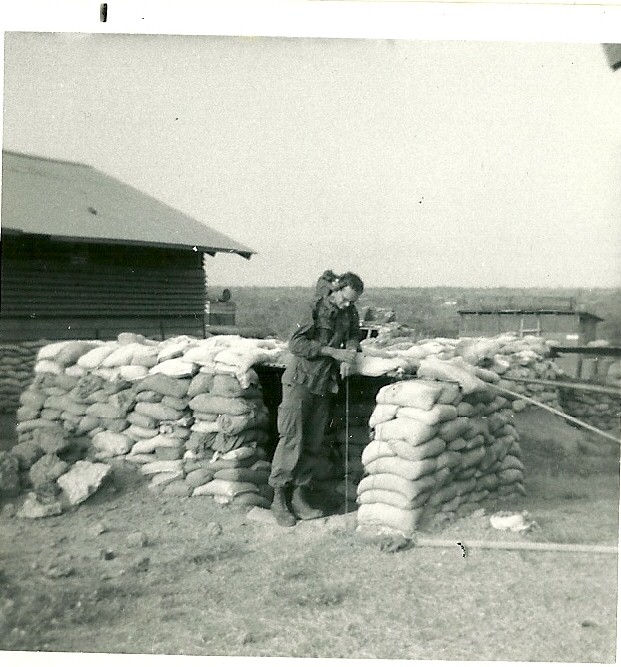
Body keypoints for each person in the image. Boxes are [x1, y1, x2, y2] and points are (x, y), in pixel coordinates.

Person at [268, 271, 365, 526]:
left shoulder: (349, 311)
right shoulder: (313, 308)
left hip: (324, 384)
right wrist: (332, 352)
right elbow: (296, 344)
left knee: (313, 442)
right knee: (292, 439)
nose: (347, 304)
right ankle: (279, 499)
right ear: (336, 289)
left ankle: (299, 497)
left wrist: (350, 353)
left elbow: (354, 334)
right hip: (300, 381)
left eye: (352, 301)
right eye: (344, 299)